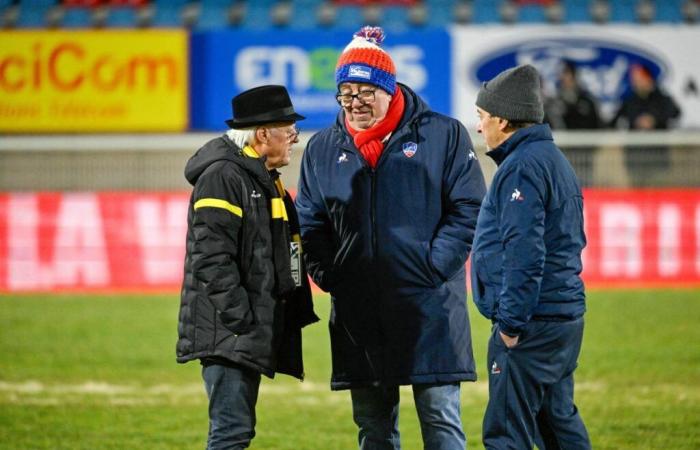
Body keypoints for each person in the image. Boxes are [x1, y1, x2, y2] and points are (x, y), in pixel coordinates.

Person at [295, 26, 486, 450]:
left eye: (365, 92)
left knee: (441, 423)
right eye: (346, 94)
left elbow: (470, 207)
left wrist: (432, 266)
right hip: (359, 312)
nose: (355, 104)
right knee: (374, 430)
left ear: (389, 88)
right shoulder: (322, 147)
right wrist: (330, 274)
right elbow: (310, 221)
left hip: (429, 308)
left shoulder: (443, 134)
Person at [176, 85, 319, 450]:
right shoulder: (223, 176)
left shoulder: (260, 178)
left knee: (236, 431)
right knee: (231, 433)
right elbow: (211, 258)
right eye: (289, 133)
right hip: (229, 332)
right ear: (262, 134)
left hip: (241, 330)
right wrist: (242, 318)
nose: (294, 140)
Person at [471, 64, 591, 449]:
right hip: (562, 317)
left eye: (483, 117)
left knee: (508, 432)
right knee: (558, 424)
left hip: (530, 324)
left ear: (503, 120)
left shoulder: (521, 168)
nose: (479, 127)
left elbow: (525, 253)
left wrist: (510, 324)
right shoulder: (553, 160)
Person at [610, 63, 681, 186]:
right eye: (634, 78)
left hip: (658, 158)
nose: (635, 81)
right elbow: (613, 121)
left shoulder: (662, 98)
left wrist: (654, 120)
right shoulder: (629, 100)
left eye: (638, 77)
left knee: (658, 193)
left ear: (648, 78)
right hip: (635, 159)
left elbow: (676, 113)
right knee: (638, 195)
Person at [543, 60, 601, 186]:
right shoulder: (555, 101)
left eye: (566, 73)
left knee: (584, 187)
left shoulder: (587, 100)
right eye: (561, 74)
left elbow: (596, 125)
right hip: (561, 153)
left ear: (573, 75)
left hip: (584, 154)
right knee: (562, 187)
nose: (563, 77)